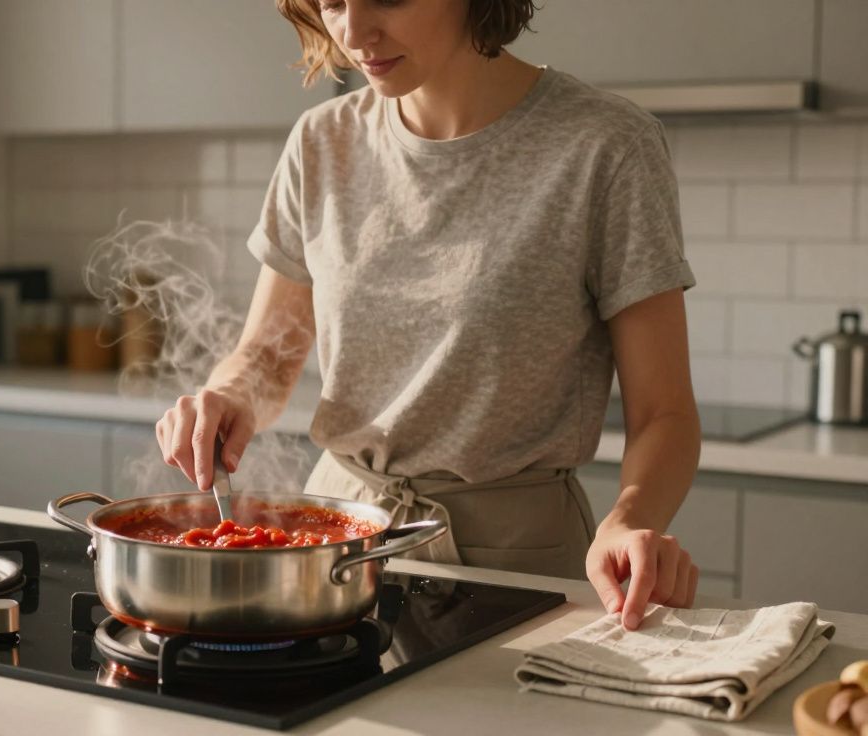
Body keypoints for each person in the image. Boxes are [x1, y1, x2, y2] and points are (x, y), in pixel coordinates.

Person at [154, 0, 701, 632]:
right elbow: (269, 356)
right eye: (331, 2)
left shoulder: (605, 145)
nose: (354, 34)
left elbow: (665, 414)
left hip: (516, 551)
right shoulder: (321, 140)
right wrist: (227, 397)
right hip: (338, 535)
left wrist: (630, 519)